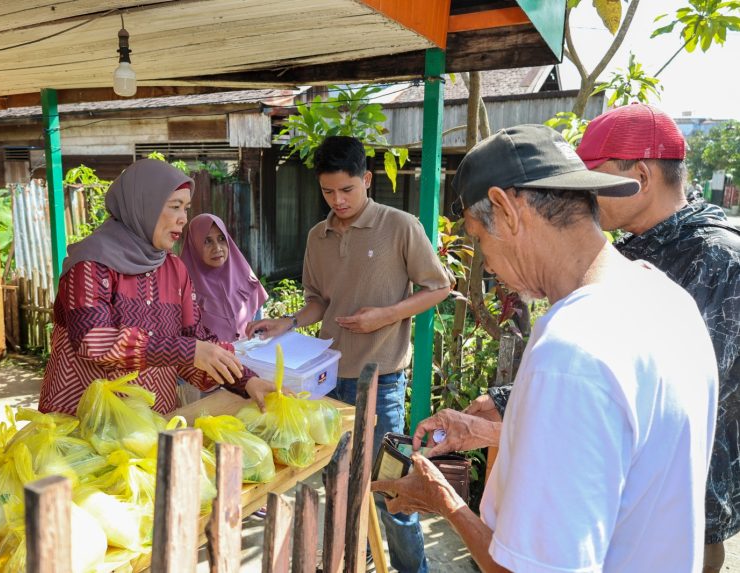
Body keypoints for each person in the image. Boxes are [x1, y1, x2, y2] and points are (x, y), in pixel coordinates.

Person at [373, 124, 719, 572]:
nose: (489, 265)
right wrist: (501, 430)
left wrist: (444, 501)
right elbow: (630, 450)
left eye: (479, 238)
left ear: (505, 209)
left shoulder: (572, 353)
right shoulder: (669, 300)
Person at [247, 136, 452, 573]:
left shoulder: (401, 225)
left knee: (392, 489)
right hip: (325, 382)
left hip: (383, 381)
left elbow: (439, 287)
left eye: (347, 190)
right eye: (327, 191)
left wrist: (387, 316)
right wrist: (288, 323)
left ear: (367, 180)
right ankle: (351, 560)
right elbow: (320, 300)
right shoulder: (316, 237)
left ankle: (412, 569)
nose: (337, 200)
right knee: (337, 482)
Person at [39, 159, 274, 416]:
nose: (183, 218)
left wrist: (247, 381)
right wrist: (188, 351)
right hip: (89, 422)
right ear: (144, 206)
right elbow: (93, 341)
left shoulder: (174, 269)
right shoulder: (90, 264)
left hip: (153, 420)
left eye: (186, 208)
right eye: (175, 207)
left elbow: (195, 337)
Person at [180, 213, 268, 343]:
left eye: (221, 239)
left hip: (249, 361)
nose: (217, 248)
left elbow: (259, 335)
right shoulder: (182, 288)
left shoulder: (247, 280)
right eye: (207, 241)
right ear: (195, 245)